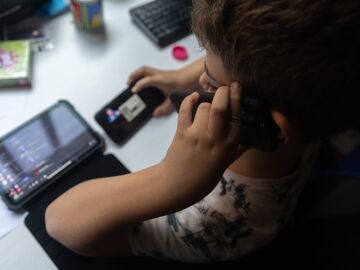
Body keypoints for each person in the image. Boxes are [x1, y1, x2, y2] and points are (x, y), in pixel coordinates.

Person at [44, 0, 360, 263]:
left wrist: (169, 180)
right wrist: (183, 76)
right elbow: (256, 59)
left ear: (265, 123)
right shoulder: (315, 97)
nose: (203, 80)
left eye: (210, 76)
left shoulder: (219, 220)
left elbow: (61, 222)